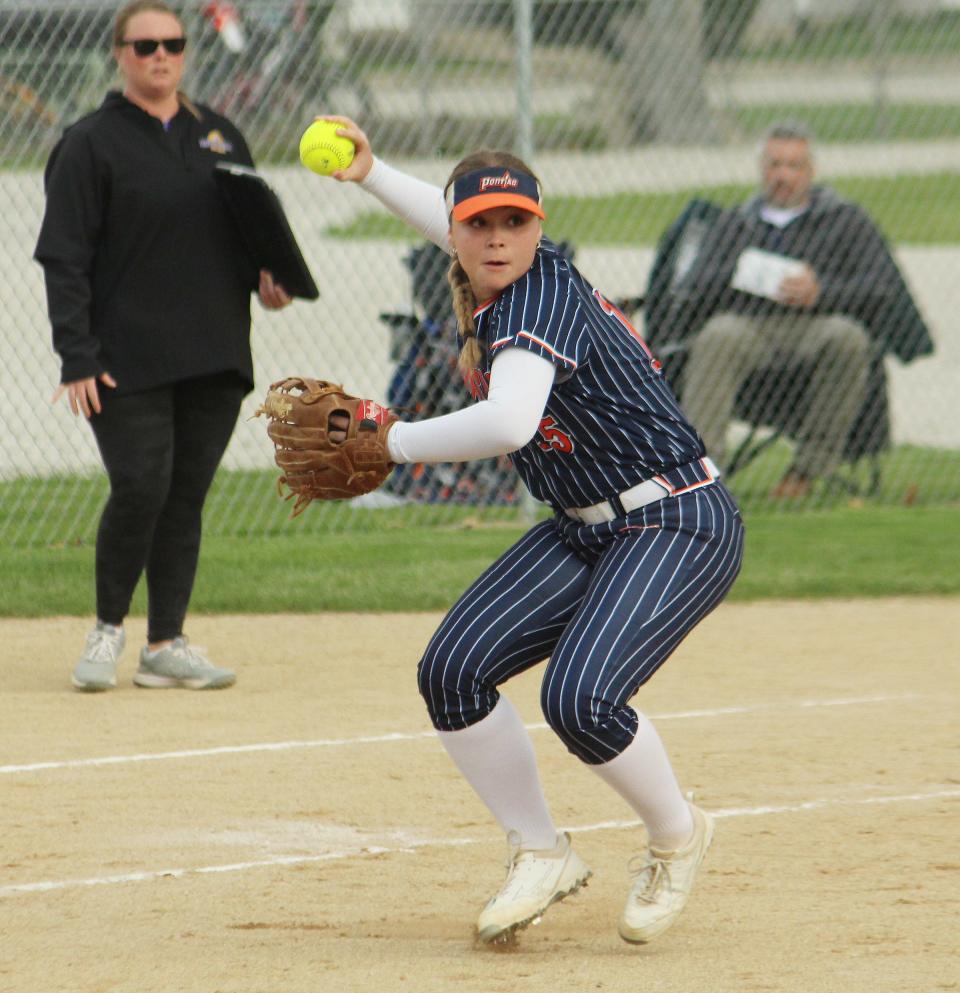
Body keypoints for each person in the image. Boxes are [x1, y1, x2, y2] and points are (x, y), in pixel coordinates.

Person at [321, 117, 745, 946]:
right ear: (457, 232)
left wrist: (391, 442)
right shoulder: (498, 271)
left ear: (538, 229)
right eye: (480, 223)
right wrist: (372, 173)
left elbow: (512, 420)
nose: (498, 236)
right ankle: (541, 849)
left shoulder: (538, 293)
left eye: (515, 221)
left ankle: (678, 835)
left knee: (581, 699)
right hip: (584, 525)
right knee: (452, 670)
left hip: (678, 518)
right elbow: (438, 218)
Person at [34, 0, 293, 692]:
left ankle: (166, 642)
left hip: (213, 350)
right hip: (124, 358)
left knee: (184, 495)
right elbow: (64, 258)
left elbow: (248, 234)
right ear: (118, 52)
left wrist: (267, 280)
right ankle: (107, 631)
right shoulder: (89, 143)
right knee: (142, 484)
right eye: (144, 44)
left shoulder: (220, 134)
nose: (160, 55)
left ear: (186, 51)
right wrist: (77, 356)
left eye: (172, 43)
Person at [673, 121, 917, 499]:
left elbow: (881, 288)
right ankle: (704, 477)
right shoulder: (736, 221)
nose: (782, 176)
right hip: (748, 329)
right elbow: (692, 287)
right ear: (761, 169)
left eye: (793, 166)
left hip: (816, 327)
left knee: (848, 337)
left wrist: (821, 291)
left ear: (811, 171)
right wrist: (746, 275)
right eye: (774, 165)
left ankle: (805, 472)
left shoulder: (845, 220)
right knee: (717, 335)